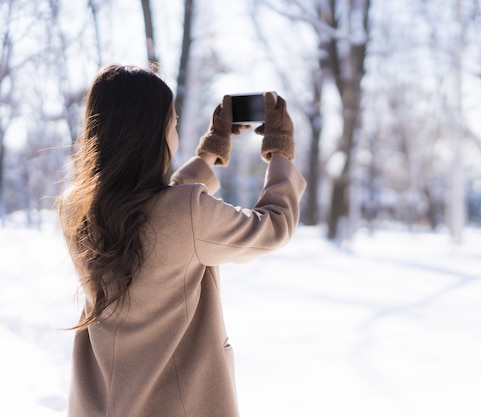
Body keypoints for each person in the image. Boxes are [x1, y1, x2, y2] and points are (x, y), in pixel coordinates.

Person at [57, 64, 306, 417]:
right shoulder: (183, 213)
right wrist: (280, 152)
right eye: (172, 123)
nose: (175, 133)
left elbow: (153, 210)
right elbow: (273, 227)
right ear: (152, 133)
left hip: (99, 405)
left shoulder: (75, 209)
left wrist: (209, 154)